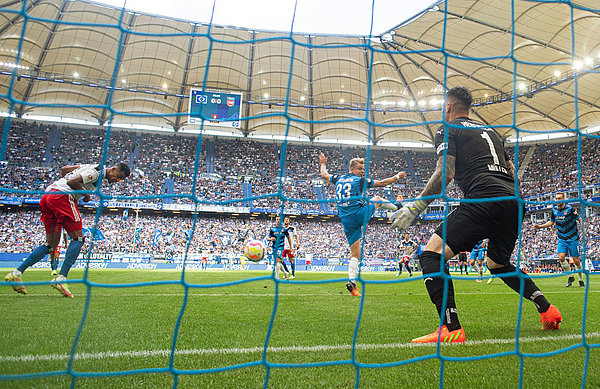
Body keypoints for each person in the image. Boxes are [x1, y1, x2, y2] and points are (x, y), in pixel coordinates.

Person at [390, 86, 561, 343]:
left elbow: (445, 173)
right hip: (514, 202)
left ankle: (451, 328)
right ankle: (548, 310)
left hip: (484, 197)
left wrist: (416, 206)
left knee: (430, 255)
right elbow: (512, 171)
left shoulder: (447, 129)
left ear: (448, 107)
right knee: (497, 264)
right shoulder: (492, 132)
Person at [5, 163, 130, 297]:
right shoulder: (97, 172)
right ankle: (61, 278)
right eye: (118, 176)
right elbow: (72, 181)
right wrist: (85, 194)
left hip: (48, 195)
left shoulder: (89, 166)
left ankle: (16, 274)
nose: (118, 180)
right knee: (78, 239)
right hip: (62, 197)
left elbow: (64, 170)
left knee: (51, 245)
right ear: (114, 169)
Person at [319, 152, 405, 296]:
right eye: (359, 169)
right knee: (377, 198)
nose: (362, 171)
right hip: (358, 215)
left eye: (363, 169)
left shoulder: (338, 178)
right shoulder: (359, 181)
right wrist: (397, 177)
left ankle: (351, 283)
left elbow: (324, 175)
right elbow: (383, 183)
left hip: (346, 219)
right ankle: (397, 208)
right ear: (352, 169)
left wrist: (323, 163)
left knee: (355, 254)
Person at [534, 192, 584, 287]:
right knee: (561, 257)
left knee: (576, 260)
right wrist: (540, 226)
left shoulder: (570, 209)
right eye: (556, 198)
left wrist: (582, 230)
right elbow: (551, 222)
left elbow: (579, 219)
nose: (557, 200)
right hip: (562, 239)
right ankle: (570, 276)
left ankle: (581, 279)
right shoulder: (554, 210)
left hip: (573, 238)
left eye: (559, 198)